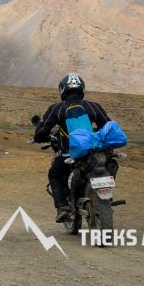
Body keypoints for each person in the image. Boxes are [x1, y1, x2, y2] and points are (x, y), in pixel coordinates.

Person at [33, 73, 111, 222]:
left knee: (54, 174)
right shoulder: (93, 106)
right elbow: (107, 126)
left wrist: (38, 137)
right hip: (94, 153)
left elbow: (43, 130)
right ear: (82, 88)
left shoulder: (56, 109)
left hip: (69, 154)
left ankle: (62, 207)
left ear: (62, 90)